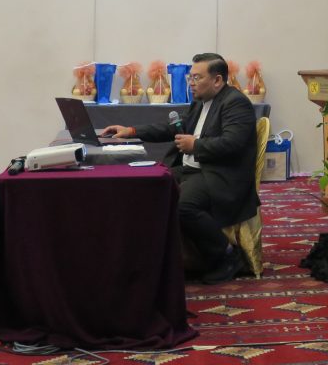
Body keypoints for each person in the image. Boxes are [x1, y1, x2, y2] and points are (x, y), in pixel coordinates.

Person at [102, 53, 258, 284]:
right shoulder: (201, 101)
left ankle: (227, 255)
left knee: (184, 205)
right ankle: (159, 257)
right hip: (194, 170)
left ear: (217, 80)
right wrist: (132, 131)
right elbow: (174, 128)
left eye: (197, 78)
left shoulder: (235, 103)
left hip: (221, 175)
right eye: (189, 78)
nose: (191, 83)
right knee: (147, 185)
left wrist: (196, 145)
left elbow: (233, 143)